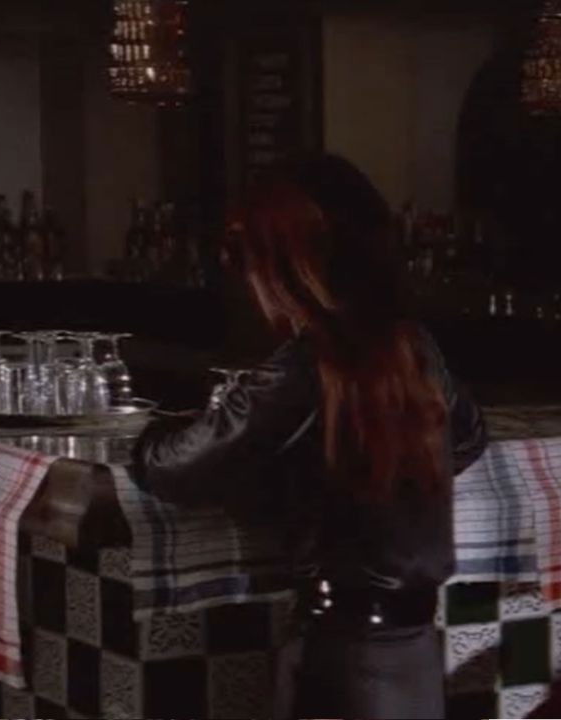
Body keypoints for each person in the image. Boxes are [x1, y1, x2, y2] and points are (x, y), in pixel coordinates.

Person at [127, 154, 487, 719]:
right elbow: (467, 440)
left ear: (284, 267)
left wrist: (152, 430)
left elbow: (174, 468)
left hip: (341, 651)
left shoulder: (303, 367)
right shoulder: (413, 346)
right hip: (413, 647)